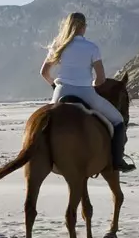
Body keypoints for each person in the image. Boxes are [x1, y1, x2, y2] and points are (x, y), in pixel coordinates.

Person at [40, 11, 133, 172]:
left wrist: (55, 86)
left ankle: (40, 156)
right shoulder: (91, 47)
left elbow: (44, 72)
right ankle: (118, 161)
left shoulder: (58, 45)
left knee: (42, 124)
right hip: (86, 93)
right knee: (118, 121)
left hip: (61, 92)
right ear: (83, 27)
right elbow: (101, 79)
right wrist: (93, 86)